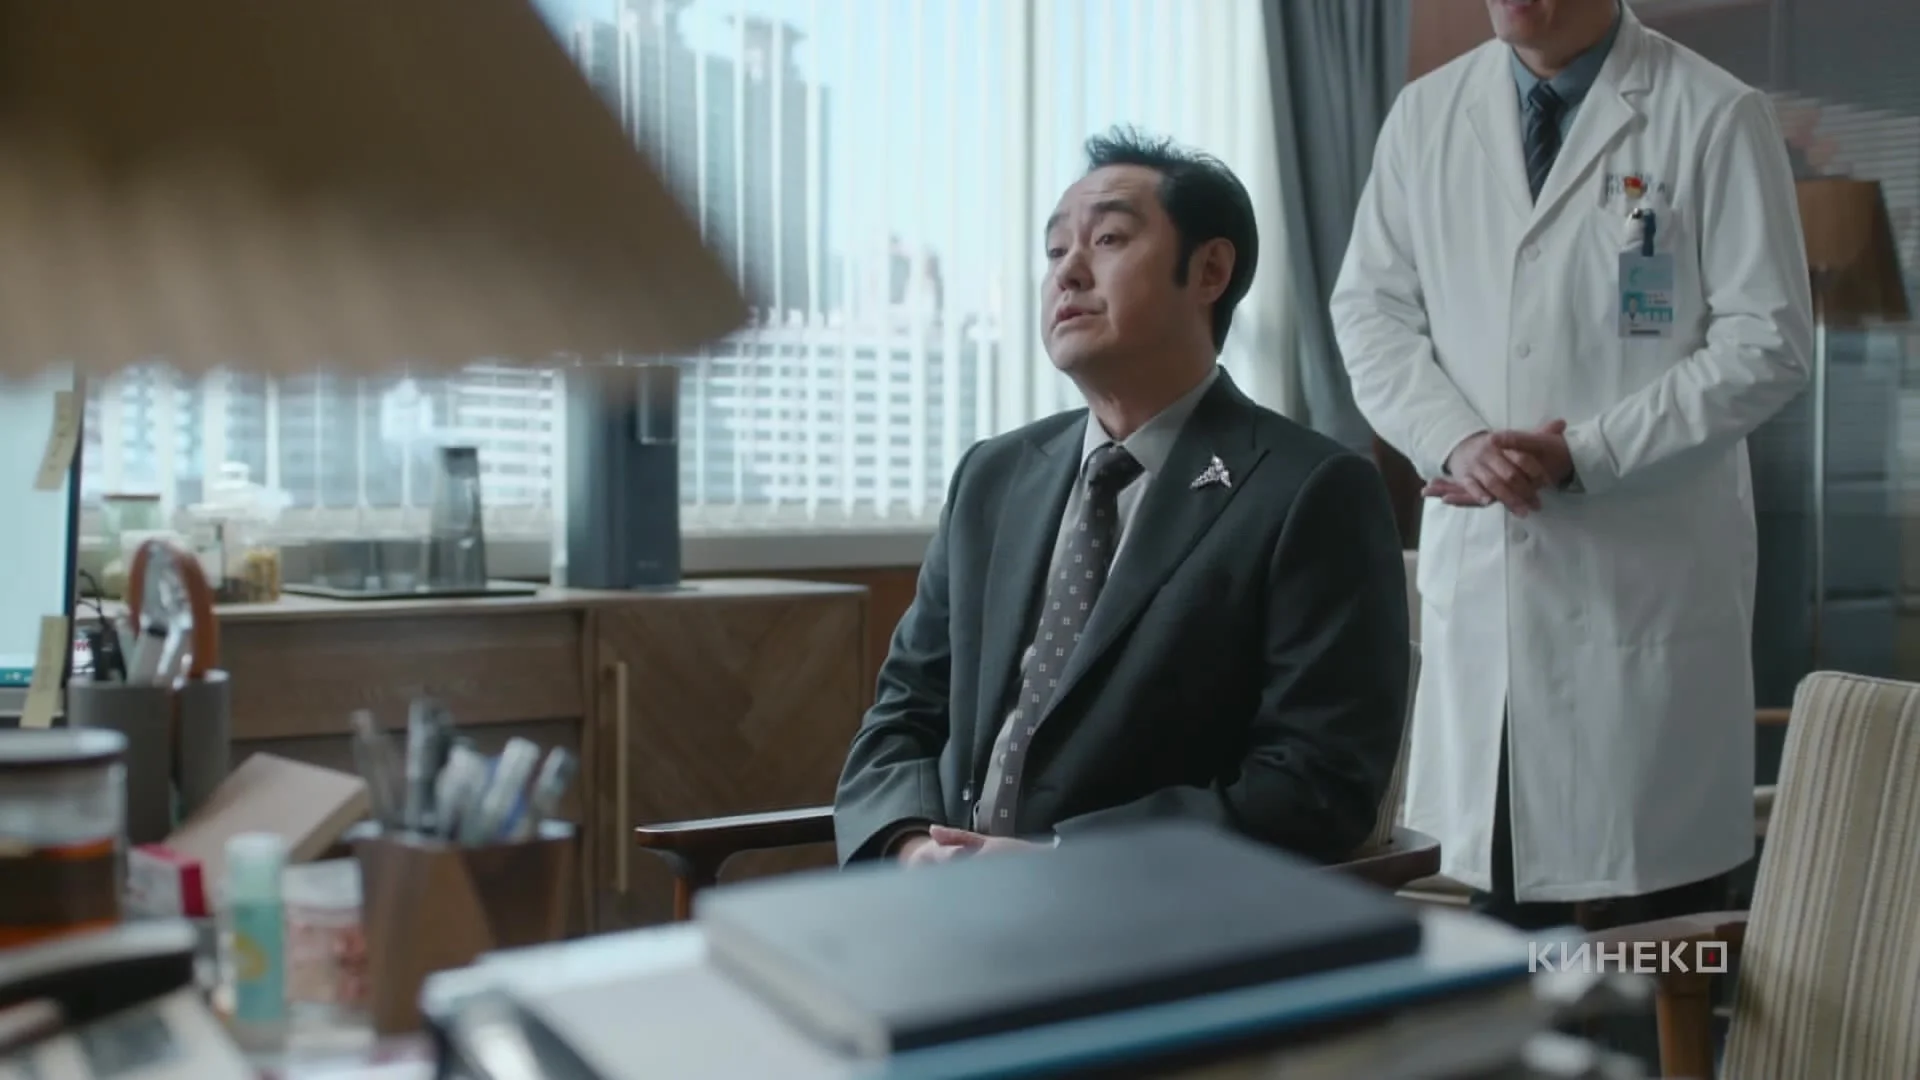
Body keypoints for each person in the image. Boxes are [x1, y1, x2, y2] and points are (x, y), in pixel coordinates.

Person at [1330, 0, 1812, 929]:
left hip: (1640, 595)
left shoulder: (1713, 112)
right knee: (1507, 940)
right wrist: (1459, 440)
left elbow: (1768, 342)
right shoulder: (1427, 114)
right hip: (1487, 583)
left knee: (1654, 943)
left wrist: (1589, 453)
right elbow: (1370, 314)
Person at [834, 128, 1410, 867]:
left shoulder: (1311, 492)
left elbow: (1315, 783)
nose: (1067, 273)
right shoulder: (993, 478)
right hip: (942, 897)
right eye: (1054, 251)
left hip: (1153, 914)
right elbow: (903, 714)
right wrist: (913, 847)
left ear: (1210, 271)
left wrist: (1061, 861)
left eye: (1107, 239)